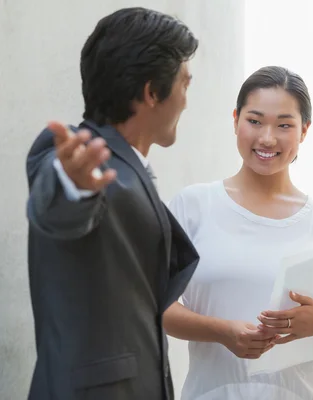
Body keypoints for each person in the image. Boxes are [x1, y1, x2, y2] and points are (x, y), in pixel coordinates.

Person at [164, 66, 313, 400]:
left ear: (304, 131)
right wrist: (222, 332)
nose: (267, 138)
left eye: (285, 125)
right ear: (235, 120)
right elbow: (156, 307)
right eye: (255, 121)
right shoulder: (192, 206)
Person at [25, 7, 200, 400]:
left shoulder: (131, 168)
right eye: (185, 84)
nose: (187, 101)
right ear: (152, 92)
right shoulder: (78, 157)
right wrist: (74, 186)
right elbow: (57, 207)